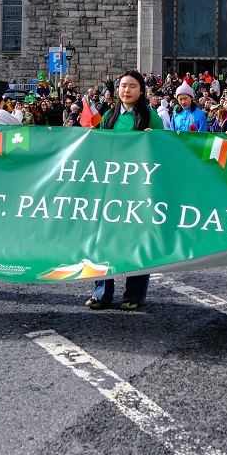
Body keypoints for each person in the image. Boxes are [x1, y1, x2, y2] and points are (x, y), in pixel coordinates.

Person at [86, 70, 164, 311]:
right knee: (102, 238)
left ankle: (135, 294)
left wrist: (156, 140)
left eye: (132, 86)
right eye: (122, 86)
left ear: (141, 91)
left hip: (137, 189)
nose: (126, 90)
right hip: (109, 187)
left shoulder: (151, 118)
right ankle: (102, 292)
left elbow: (165, 152)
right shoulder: (108, 115)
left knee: (136, 239)